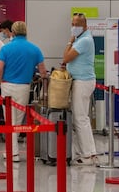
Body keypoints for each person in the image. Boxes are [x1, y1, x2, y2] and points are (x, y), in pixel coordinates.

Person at [0, 21, 47, 162]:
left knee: (9, 120)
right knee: (18, 120)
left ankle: (12, 152)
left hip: (7, 86)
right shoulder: (35, 49)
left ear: (12, 31)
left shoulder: (6, 49)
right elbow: (43, 71)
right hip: (24, 87)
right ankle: (13, 152)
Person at [62, 13, 98, 166]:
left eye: (76, 24)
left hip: (83, 82)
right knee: (82, 118)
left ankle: (87, 155)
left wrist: (69, 41)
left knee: (80, 119)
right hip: (82, 81)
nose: (73, 27)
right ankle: (88, 152)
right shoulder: (82, 39)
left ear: (84, 26)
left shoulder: (84, 40)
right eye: (72, 24)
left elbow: (66, 57)